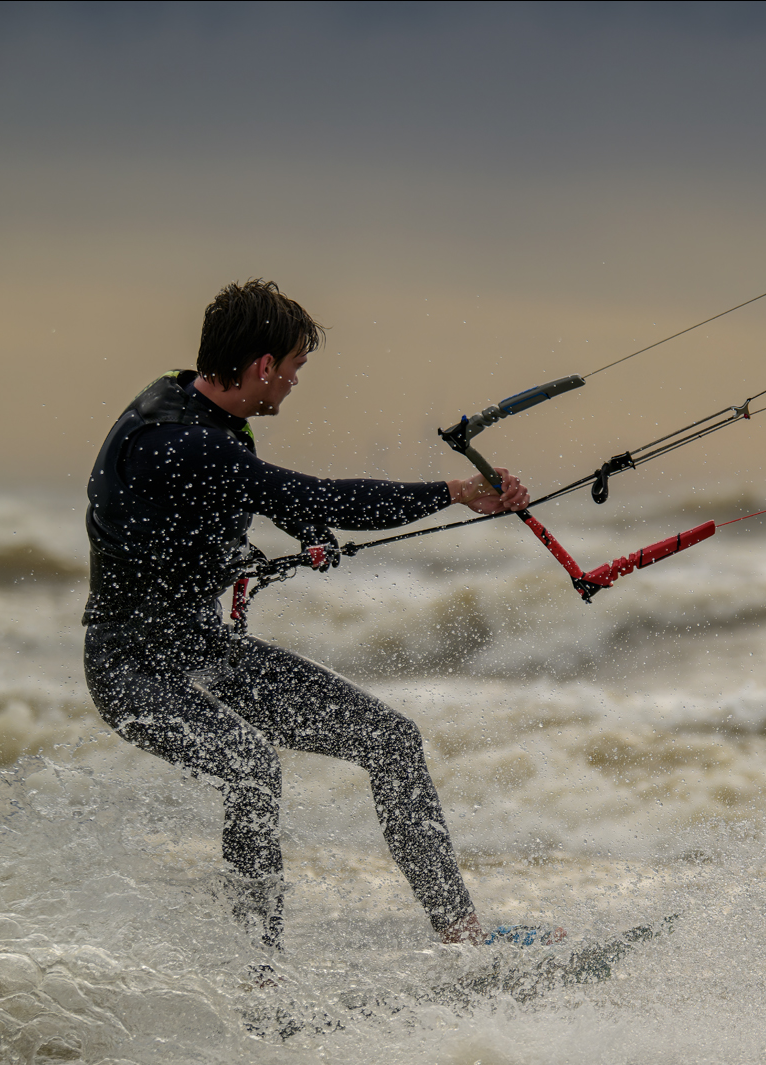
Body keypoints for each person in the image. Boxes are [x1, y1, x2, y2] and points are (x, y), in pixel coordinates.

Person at [82, 278, 525, 951]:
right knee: (251, 769)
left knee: (391, 741)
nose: (294, 382)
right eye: (294, 369)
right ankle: (258, 975)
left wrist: (301, 531)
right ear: (263, 366)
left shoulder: (197, 407)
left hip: (202, 649)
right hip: (133, 669)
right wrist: (456, 492)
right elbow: (312, 493)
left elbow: (258, 498)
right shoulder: (178, 440)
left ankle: (461, 936)